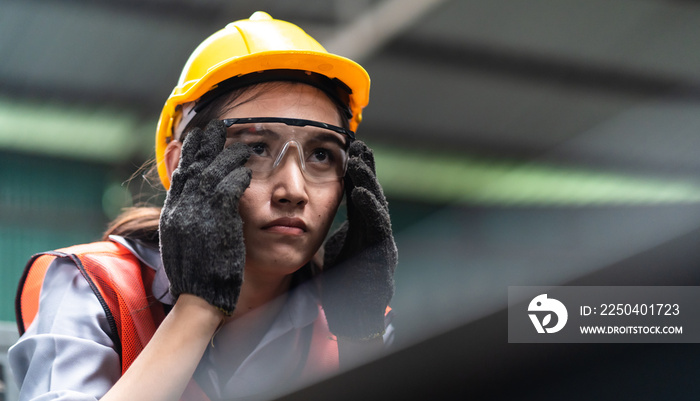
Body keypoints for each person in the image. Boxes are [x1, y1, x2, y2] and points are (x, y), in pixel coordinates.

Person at [9, 11, 397, 401]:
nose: (294, 190)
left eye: (321, 156)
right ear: (179, 166)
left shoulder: (354, 321)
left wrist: (360, 342)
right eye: (256, 148)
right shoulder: (98, 287)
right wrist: (198, 307)